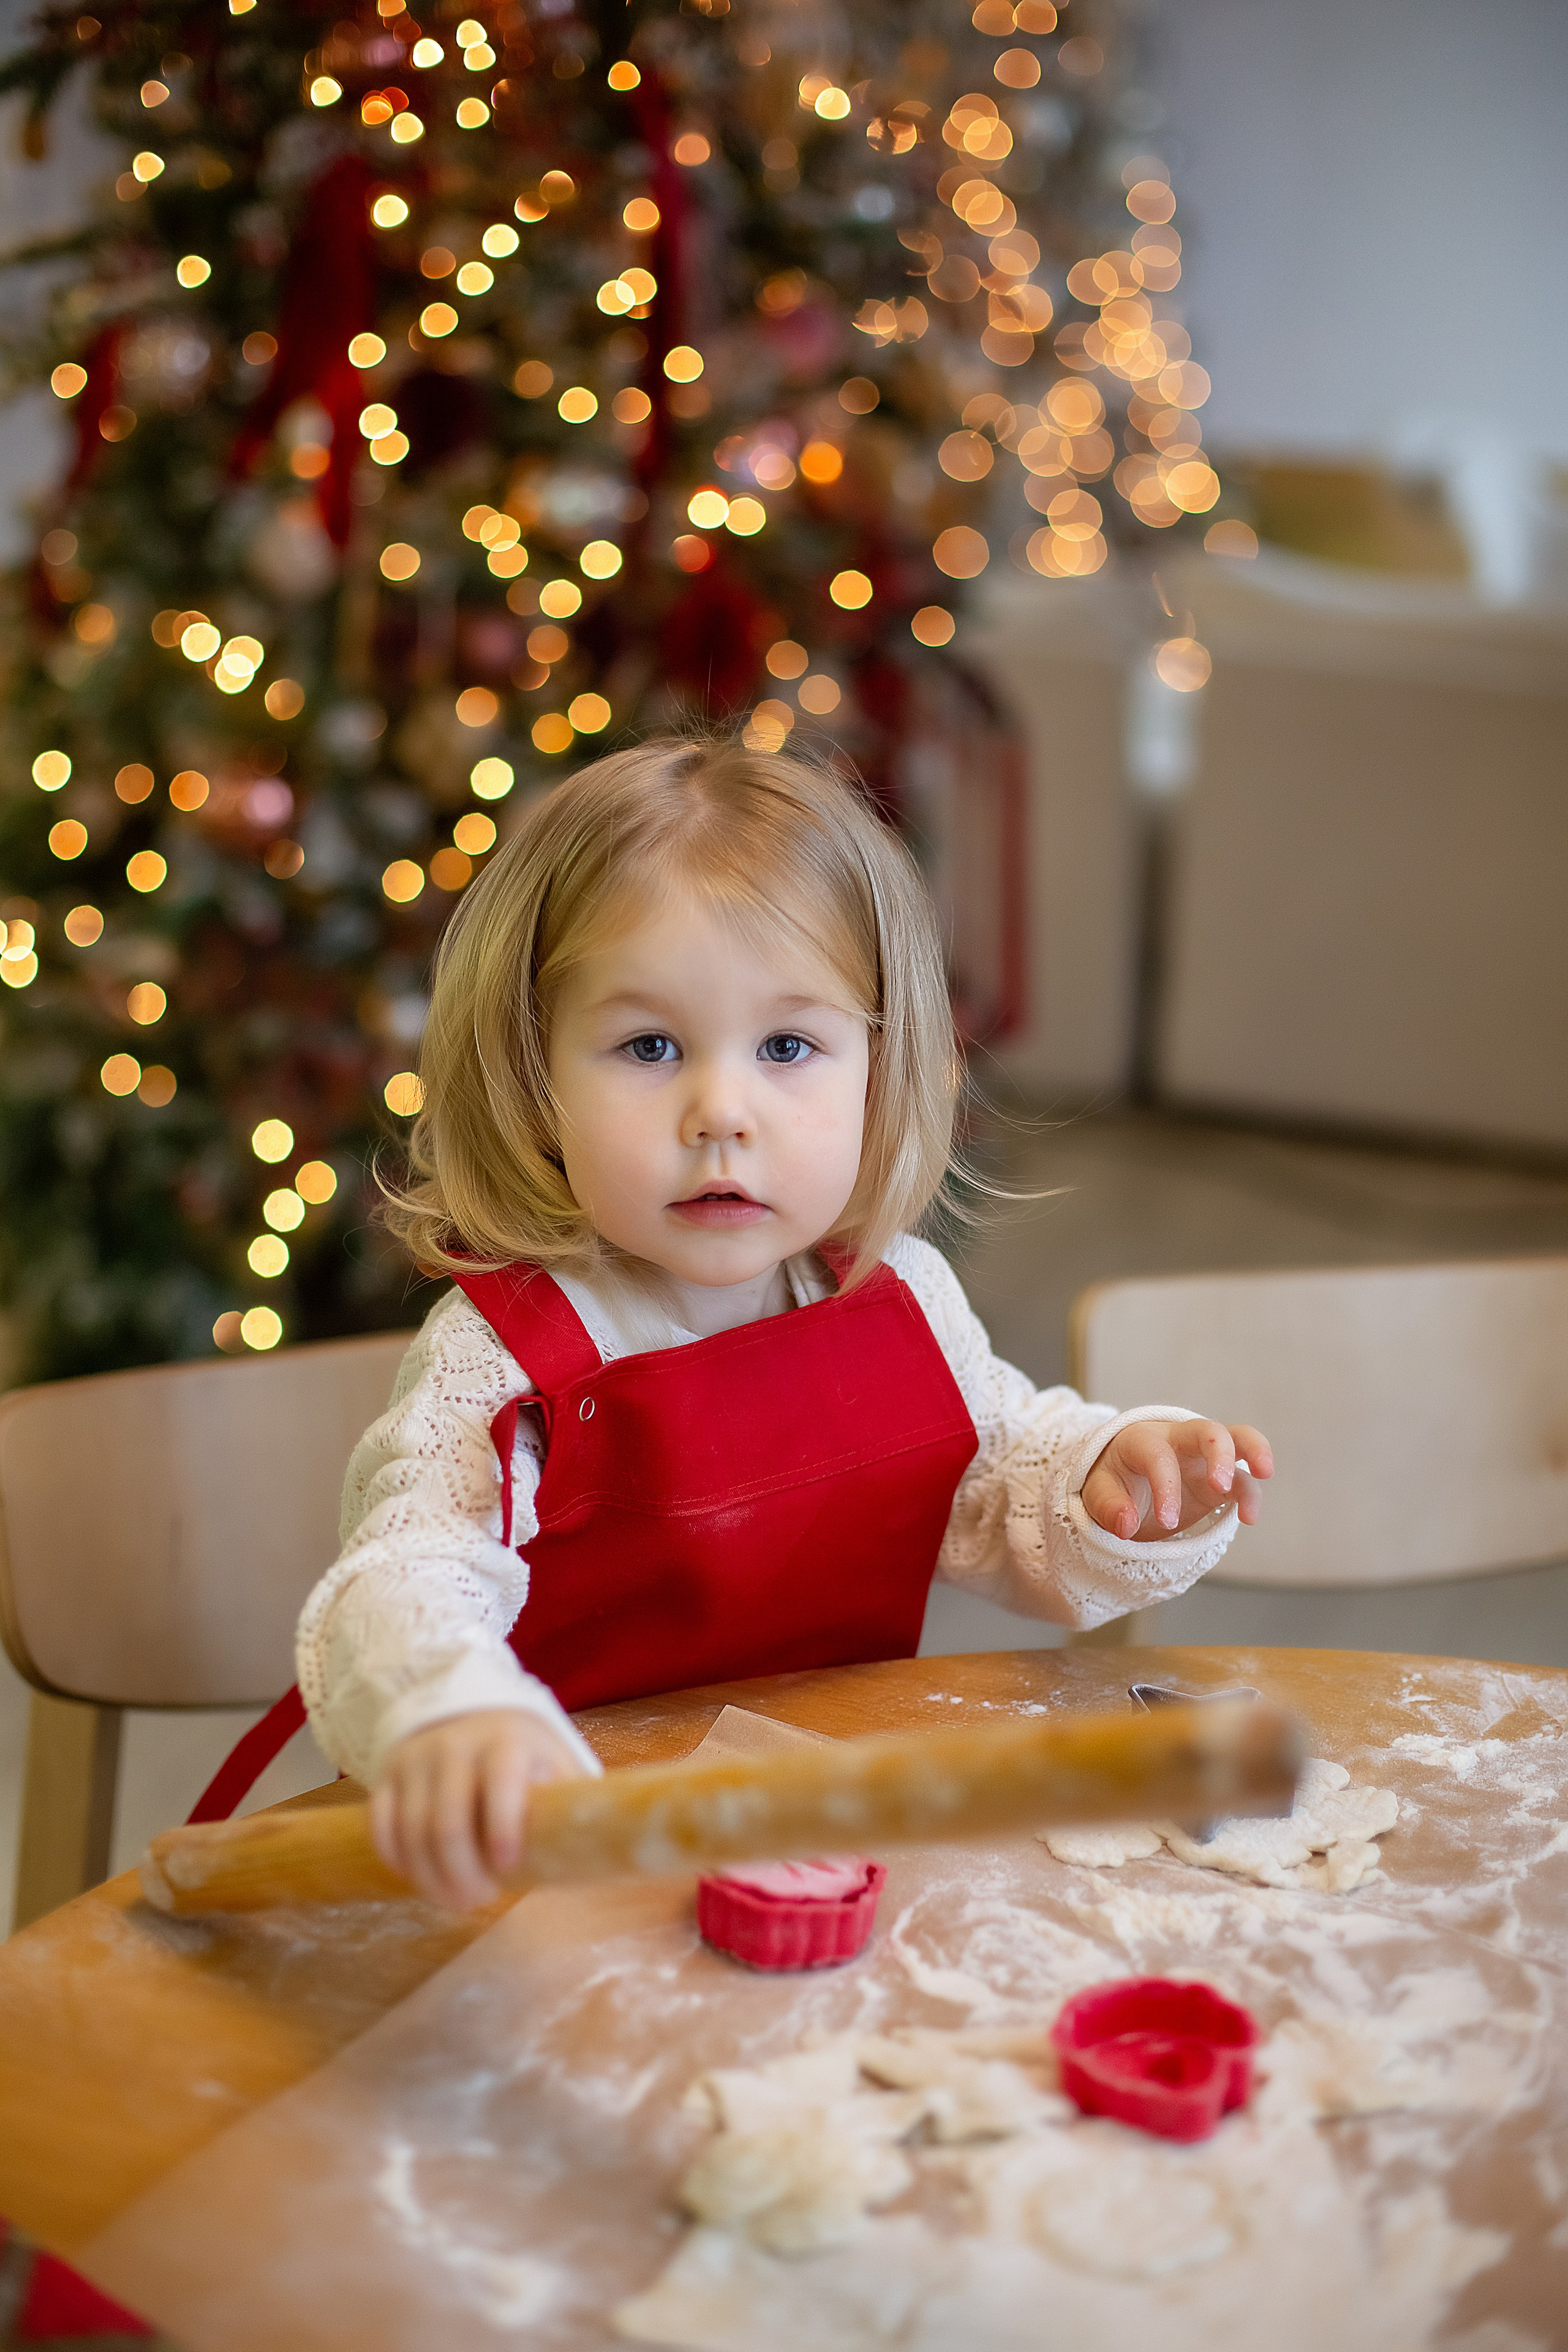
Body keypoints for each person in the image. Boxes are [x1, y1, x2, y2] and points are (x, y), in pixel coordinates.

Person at [295, 737, 1272, 1909]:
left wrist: (1114, 1475)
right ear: (535, 1077)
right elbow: (405, 1573)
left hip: (808, 1850)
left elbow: (1004, 1487)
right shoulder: (501, 1360)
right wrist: (448, 1713)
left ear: (879, 1065)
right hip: (554, 1869)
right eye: (649, 1047)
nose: (723, 1112)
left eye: (788, 1047)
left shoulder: (891, 1298)